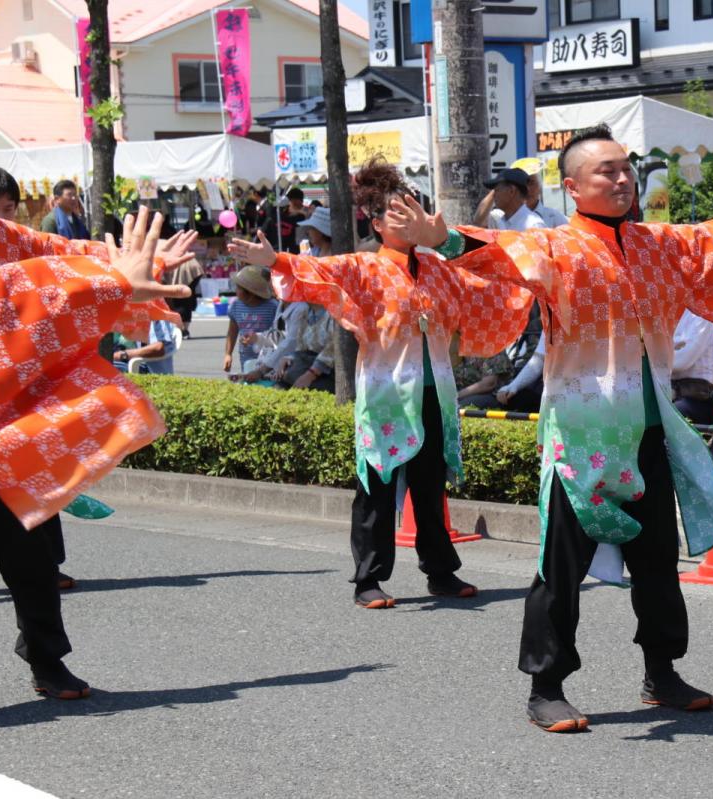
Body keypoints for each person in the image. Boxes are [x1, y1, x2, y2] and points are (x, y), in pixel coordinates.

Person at [384, 123, 713, 732]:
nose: (621, 177)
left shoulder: (661, 244)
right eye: (606, 170)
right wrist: (443, 237)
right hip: (580, 436)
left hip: (648, 428)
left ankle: (661, 673)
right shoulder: (557, 248)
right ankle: (546, 684)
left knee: (658, 562)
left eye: (626, 167)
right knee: (560, 567)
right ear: (574, 187)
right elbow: (498, 255)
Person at [228, 158, 533, 609]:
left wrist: (448, 242)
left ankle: (441, 572)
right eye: (397, 212)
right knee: (377, 483)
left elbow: (491, 279)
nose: (408, 218)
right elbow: (322, 274)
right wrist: (275, 260)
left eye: (413, 208)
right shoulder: (365, 267)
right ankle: (367, 578)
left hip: (434, 389)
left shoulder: (438, 267)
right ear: (376, 221)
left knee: (429, 486)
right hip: (387, 390)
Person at [0, 204, 189, 698]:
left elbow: (66, 254)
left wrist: (131, 263)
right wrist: (102, 284)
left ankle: (47, 661)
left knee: (32, 559)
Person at [244, 302, 337, 392]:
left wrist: (311, 374)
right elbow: (300, 345)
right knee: (282, 382)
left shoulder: (333, 314)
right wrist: (290, 357)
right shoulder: (307, 312)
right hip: (305, 364)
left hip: (326, 372)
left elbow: (332, 348)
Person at [224, 265, 279, 376]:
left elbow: (279, 334)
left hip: (268, 358)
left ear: (251, 292)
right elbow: (232, 332)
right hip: (246, 356)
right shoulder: (235, 306)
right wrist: (228, 354)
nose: (236, 290)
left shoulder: (273, 307)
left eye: (239, 288)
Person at [474, 168, 545, 231]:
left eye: (497, 190)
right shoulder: (499, 220)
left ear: (511, 191)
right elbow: (478, 223)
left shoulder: (533, 225)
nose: (494, 195)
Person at [112, 319, 178, 374]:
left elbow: (159, 348)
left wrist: (123, 355)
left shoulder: (157, 317)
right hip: (130, 363)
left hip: (149, 370)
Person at [264, 187, 308, 252]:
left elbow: (301, 239)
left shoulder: (301, 218)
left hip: (292, 252)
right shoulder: (276, 216)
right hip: (276, 251)